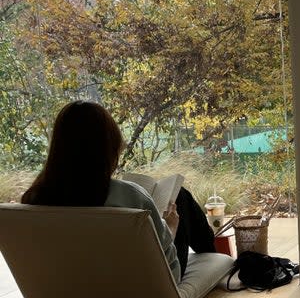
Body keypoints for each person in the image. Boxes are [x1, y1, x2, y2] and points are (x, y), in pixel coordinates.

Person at [21, 101, 215, 283]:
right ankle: (215, 259)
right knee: (179, 195)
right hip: (142, 290)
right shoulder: (130, 196)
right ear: (109, 146)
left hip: (64, 295)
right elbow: (164, 263)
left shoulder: (33, 198)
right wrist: (171, 227)